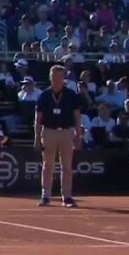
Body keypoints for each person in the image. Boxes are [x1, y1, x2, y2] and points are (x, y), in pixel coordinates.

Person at [35, 65, 82, 208]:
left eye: (60, 77)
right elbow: (38, 118)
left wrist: (78, 135)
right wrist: (37, 137)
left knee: (67, 166)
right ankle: (46, 195)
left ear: (64, 78)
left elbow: (77, 116)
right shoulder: (44, 95)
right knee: (47, 165)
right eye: (55, 76)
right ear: (50, 77)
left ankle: (67, 196)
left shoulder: (71, 95)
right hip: (49, 131)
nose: (57, 79)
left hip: (67, 132)